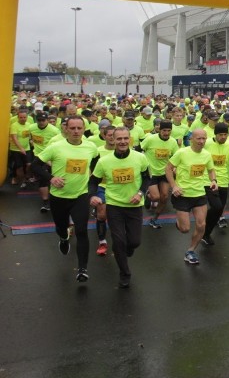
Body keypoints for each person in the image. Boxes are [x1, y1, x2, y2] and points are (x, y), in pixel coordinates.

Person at [31, 116, 100, 282]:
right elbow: (34, 165)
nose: (76, 131)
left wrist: (92, 178)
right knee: (61, 227)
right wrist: (51, 178)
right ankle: (63, 237)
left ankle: (82, 269)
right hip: (59, 196)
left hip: (80, 196)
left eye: (79, 128)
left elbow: (96, 161)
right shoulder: (56, 147)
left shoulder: (90, 147)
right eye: (73, 128)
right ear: (66, 129)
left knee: (82, 231)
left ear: (84, 129)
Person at [88, 126, 151, 288]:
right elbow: (93, 181)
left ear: (130, 139)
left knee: (134, 242)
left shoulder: (140, 158)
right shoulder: (104, 161)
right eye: (119, 139)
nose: (122, 142)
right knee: (118, 241)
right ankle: (125, 273)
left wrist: (140, 193)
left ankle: (127, 249)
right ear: (113, 140)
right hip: (114, 205)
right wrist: (93, 195)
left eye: (125, 138)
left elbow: (146, 178)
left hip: (134, 205)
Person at [165, 129, 218, 265]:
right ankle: (179, 224)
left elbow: (211, 170)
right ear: (191, 139)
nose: (201, 141)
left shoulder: (206, 155)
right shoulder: (182, 153)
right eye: (198, 138)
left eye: (204, 139)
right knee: (185, 229)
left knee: (201, 225)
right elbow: (168, 168)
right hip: (182, 194)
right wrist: (174, 186)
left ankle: (191, 251)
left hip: (199, 194)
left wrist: (213, 181)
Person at [203, 122, 229, 245]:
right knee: (217, 207)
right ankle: (204, 228)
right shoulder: (206, 143)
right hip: (209, 180)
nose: (223, 137)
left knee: (219, 210)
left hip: (224, 180)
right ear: (215, 134)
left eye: (225, 134)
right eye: (220, 134)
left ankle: (206, 233)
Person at [140, 120, 179, 228]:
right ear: (159, 130)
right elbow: (140, 149)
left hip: (164, 172)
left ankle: (155, 219)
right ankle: (149, 196)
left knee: (165, 197)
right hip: (151, 172)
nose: (166, 133)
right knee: (156, 197)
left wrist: (175, 168)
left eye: (169, 130)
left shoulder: (173, 142)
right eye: (164, 130)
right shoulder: (151, 139)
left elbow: (175, 157)